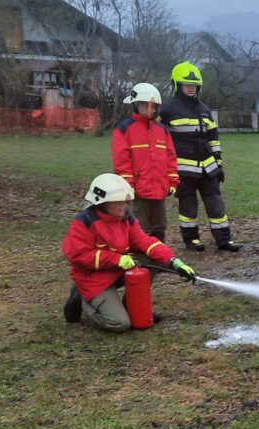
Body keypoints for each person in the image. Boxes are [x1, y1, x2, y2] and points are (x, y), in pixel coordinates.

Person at [62, 174, 197, 333]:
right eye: (118, 202)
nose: (124, 206)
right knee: (120, 324)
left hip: (116, 270)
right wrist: (116, 259)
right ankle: (82, 299)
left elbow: (145, 242)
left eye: (125, 202)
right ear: (101, 202)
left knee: (152, 256)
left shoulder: (126, 219)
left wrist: (174, 261)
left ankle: (132, 307)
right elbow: (77, 255)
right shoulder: (84, 222)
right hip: (93, 279)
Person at [157, 61, 240, 252]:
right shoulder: (167, 109)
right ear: (177, 85)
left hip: (208, 168)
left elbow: (213, 138)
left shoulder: (204, 109)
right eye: (187, 85)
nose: (191, 88)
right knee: (188, 206)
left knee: (216, 204)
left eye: (194, 86)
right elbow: (156, 136)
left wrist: (219, 163)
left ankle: (224, 240)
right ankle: (191, 240)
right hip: (184, 169)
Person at [112, 82, 178, 244]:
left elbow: (171, 157)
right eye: (146, 105)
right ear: (135, 105)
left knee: (159, 225)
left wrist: (173, 181)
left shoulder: (162, 130)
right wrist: (128, 184)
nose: (151, 110)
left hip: (159, 188)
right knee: (140, 225)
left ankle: (158, 254)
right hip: (138, 190)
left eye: (153, 106)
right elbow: (121, 160)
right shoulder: (124, 129)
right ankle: (142, 257)